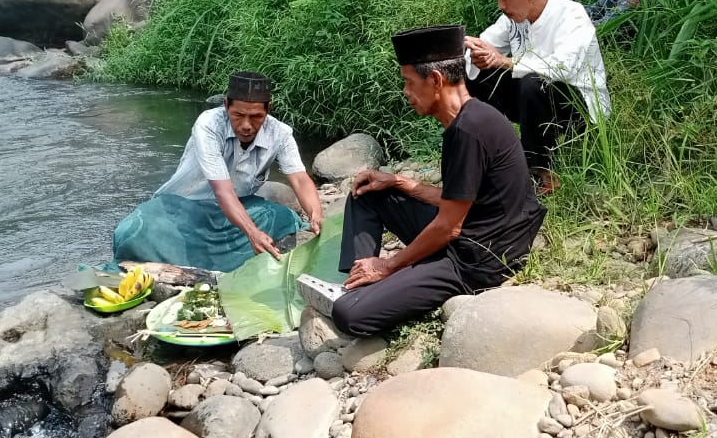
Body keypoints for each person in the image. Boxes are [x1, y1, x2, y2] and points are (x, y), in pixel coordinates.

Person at [302, 25, 546, 337]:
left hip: (478, 259)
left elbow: (449, 227)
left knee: (349, 315)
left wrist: (389, 265)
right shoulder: (470, 118)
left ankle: (359, 292)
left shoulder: (469, 131)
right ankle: (356, 280)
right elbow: (457, 200)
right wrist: (397, 182)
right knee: (368, 193)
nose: (405, 92)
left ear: (435, 80)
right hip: (469, 233)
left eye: (409, 82)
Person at [112, 71, 323, 272]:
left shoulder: (280, 134)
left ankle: (207, 260)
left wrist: (316, 214)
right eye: (238, 115)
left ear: (269, 108)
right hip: (184, 208)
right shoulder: (209, 125)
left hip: (236, 209)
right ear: (225, 105)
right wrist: (252, 233)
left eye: (257, 116)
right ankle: (233, 259)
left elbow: (300, 180)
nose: (247, 125)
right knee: (132, 232)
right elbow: (222, 191)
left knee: (283, 217)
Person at [463, 0, 612, 194]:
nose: (501, 6)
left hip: (579, 111)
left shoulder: (571, 14)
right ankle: (493, 159)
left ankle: (539, 171)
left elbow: (563, 66)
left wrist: (507, 62)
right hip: (533, 103)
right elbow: (486, 44)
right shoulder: (512, 18)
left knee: (533, 82)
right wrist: (474, 50)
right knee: (478, 74)